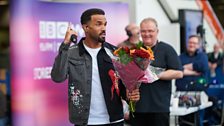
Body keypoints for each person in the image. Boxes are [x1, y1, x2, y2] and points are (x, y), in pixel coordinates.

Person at [51, 8, 140, 126]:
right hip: (83, 121)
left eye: (105, 24)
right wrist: (65, 45)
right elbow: (57, 77)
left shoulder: (117, 53)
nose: (103, 28)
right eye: (98, 24)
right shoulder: (71, 52)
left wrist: (130, 96)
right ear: (86, 27)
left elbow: (124, 87)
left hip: (114, 121)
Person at [130, 17, 183, 126]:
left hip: (159, 108)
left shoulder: (167, 49)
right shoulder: (134, 51)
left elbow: (179, 73)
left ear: (157, 31)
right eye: (143, 31)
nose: (147, 34)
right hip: (137, 107)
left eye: (150, 31)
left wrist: (154, 74)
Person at [175, 35, 209, 126]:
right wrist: (194, 72)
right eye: (190, 42)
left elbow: (203, 66)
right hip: (182, 94)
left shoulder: (203, 56)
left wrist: (185, 68)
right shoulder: (180, 57)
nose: (192, 44)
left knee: (197, 121)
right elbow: (177, 69)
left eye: (194, 43)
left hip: (199, 93)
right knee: (182, 121)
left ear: (198, 45)